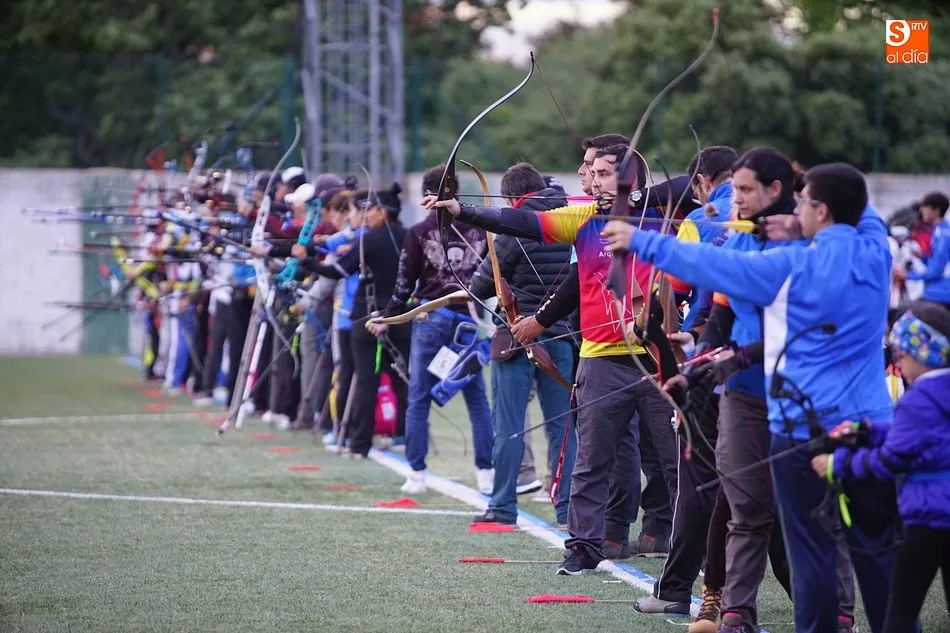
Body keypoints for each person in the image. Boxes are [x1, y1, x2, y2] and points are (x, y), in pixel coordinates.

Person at [602, 162, 901, 633]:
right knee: (878, 550)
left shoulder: (791, 265)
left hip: (801, 426)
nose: (796, 208)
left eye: (805, 202)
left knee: (812, 553)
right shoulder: (874, 250)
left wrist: (639, 240)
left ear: (820, 211)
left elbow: (718, 266)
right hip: (869, 425)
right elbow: (863, 215)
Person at [422, 142, 678, 576]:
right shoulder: (583, 218)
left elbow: (694, 185)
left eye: (602, 174)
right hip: (600, 357)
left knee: (676, 461)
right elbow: (522, 220)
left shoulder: (664, 219)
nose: (592, 180)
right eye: (591, 173)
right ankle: (583, 546)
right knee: (591, 460)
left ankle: (696, 547)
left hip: (656, 357)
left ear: (630, 179)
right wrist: (463, 210)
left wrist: (636, 202)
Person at [811, 300, 950, 633]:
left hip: (928, 520)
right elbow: (921, 435)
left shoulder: (918, 398)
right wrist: (867, 430)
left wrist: (837, 464)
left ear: (924, 352)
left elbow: (890, 459)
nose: (898, 364)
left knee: (900, 611)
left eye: (902, 355)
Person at [374, 164, 494, 494]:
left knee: (419, 399)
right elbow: (492, 281)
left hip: (431, 321)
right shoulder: (478, 230)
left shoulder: (417, 232)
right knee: (476, 398)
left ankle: (416, 474)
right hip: (468, 321)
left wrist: (387, 316)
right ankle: (486, 472)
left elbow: (403, 285)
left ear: (428, 194)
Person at [467, 161, 575, 525]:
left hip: (515, 336)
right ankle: (567, 507)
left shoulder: (514, 228)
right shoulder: (570, 222)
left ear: (513, 198)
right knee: (563, 427)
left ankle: (501, 507)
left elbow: (480, 286)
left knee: (510, 424)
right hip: (561, 334)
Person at [296, 184, 410, 459]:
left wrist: (306, 260)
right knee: (403, 380)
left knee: (365, 381)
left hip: (367, 317)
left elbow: (335, 270)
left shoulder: (368, 240)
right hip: (402, 316)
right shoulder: (409, 236)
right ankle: (404, 437)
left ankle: (359, 444)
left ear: (383, 212)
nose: (364, 215)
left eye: (369, 210)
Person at [896, 192, 949, 308]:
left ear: (936, 210)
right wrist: (923, 257)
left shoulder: (944, 235)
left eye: (925, 206)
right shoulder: (938, 231)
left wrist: (907, 275)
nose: (921, 210)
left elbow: (936, 271)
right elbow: (937, 263)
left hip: (941, 294)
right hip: (934, 292)